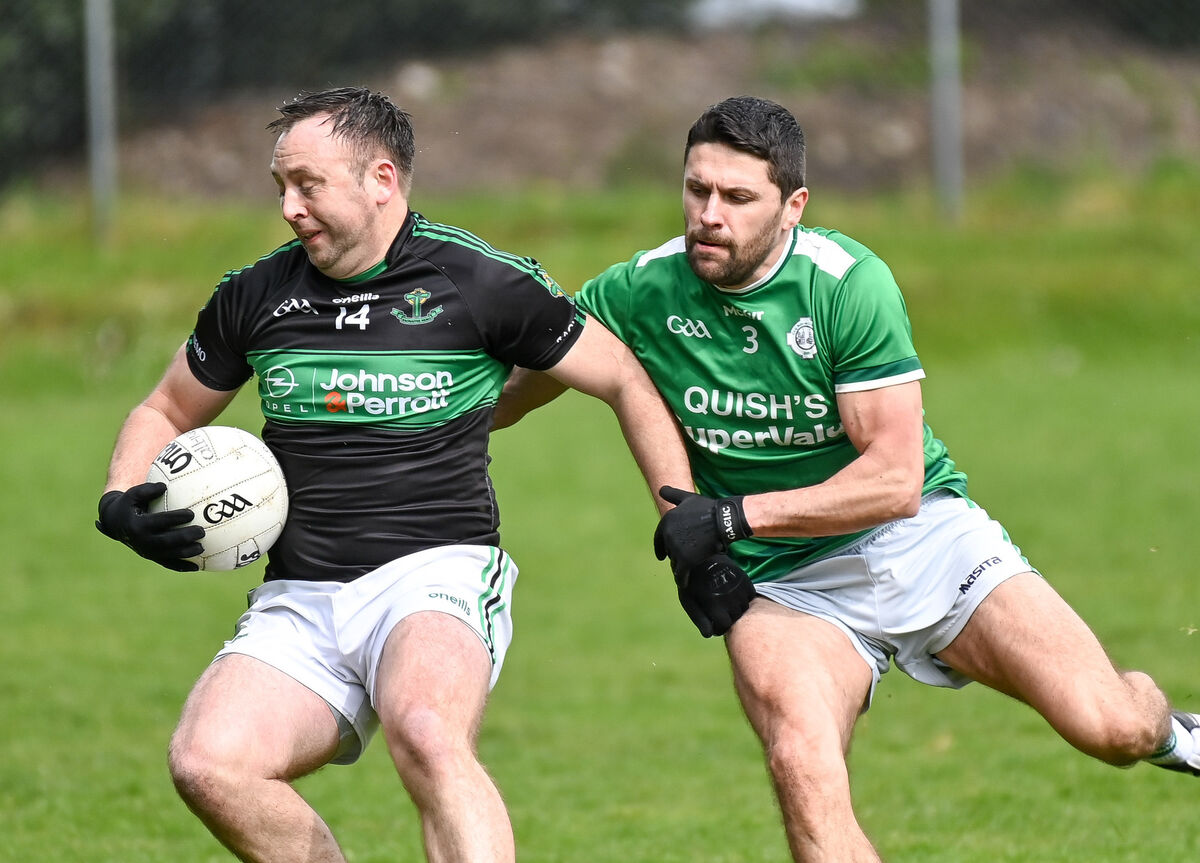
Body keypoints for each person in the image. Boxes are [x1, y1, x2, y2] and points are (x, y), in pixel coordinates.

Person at [497, 95, 1200, 862]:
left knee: (1108, 726)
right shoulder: (640, 289)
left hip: (919, 536)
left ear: (793, 205)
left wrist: (731, 520)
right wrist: (411, 403)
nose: (708, 214)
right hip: (786, 586)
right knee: (801, 763)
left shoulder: (846, 285)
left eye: (737, 197)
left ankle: (1172, 731)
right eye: (697, 189)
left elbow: (894, 480)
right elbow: (516, 393)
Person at [94, 86, 697, 863]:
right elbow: (167, 409)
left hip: (435, 572)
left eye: (307, 184)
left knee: (427, 729)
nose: (288, 206)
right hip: (301, 594)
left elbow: (621, 375)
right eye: (280, 186)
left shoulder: (477, 281)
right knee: (208, 763)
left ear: (381, 180)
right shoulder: (256, 295)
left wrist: (683, 514)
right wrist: (119, 498)